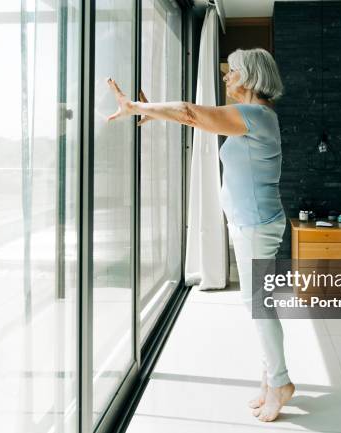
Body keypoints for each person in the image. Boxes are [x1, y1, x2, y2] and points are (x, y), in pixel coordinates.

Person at [107, 47, 294, 422]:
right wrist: (155, 111)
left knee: (258, 305)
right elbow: (195, 119)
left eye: (233, 71)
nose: (226, 77)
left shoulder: (254, 115)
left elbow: (192, 113)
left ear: (251, 76)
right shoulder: (253, 117)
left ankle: (280, 382)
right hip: (254, 222)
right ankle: (270, 378)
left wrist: (141, 108)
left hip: (255, 225)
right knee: (258, 304)